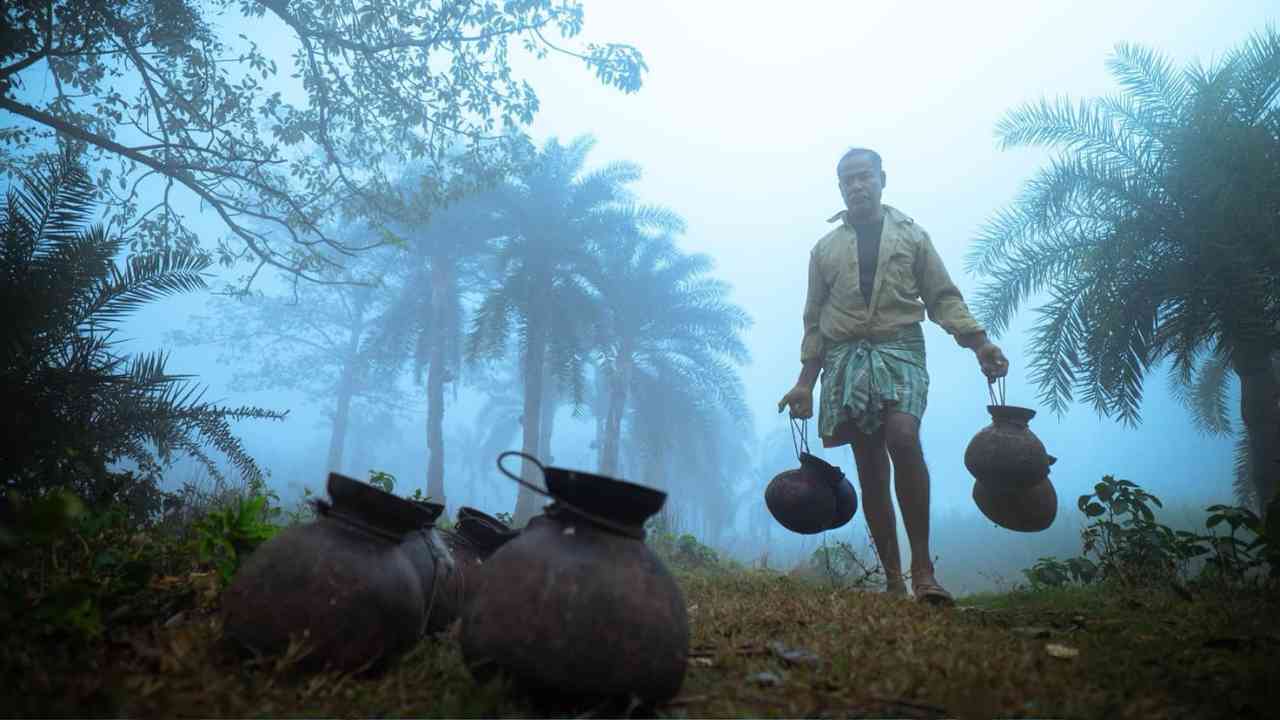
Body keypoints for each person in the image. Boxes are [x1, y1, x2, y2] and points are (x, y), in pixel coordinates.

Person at [777, 148, 1008, 606]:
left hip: (901, 349)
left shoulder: (912, 237)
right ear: (840, 188)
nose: (857, 186)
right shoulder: (823, 251)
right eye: (848, 180)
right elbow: (815, 322)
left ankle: (923, 569)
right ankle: (892, 578)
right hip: (846, 359)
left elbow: (943, 297)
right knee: (869, 465)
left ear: (882, 179)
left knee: (903, 436)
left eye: (865, 177)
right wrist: (804, 381)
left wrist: (979, 343)